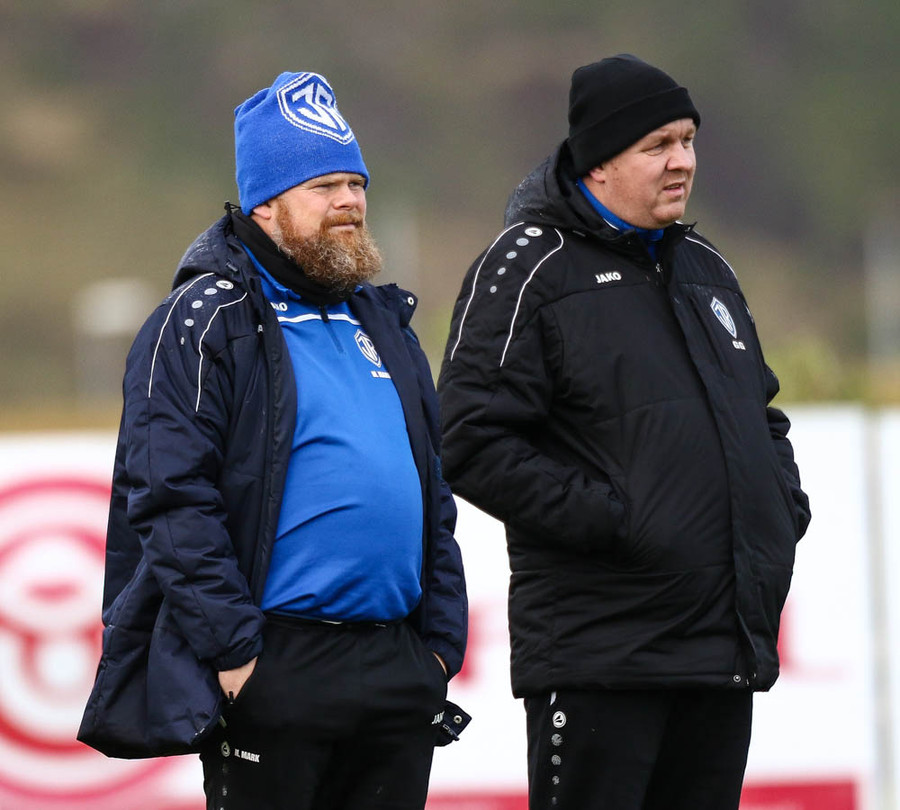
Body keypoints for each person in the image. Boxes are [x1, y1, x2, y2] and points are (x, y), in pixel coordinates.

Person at [78, 70, 468, 810]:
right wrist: (237, 656)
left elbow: (433, 494)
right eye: (324, 186)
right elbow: (169, 498)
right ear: (265, 203)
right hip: (276, 661)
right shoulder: (201, 320)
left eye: (356, 183)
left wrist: (441, 646)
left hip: (397, 664)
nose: (349, 201)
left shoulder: (384, 322)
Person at [438, 54, 810, 810]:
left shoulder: (706, 267)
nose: (683, 161)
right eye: (658, 145)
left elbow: (759, 413)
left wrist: (779, 505)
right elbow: (469, 439)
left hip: (718, 655)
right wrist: (617, 520)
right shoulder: (527, 267)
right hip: (600, 657)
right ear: (599, 163)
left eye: (688, 140)